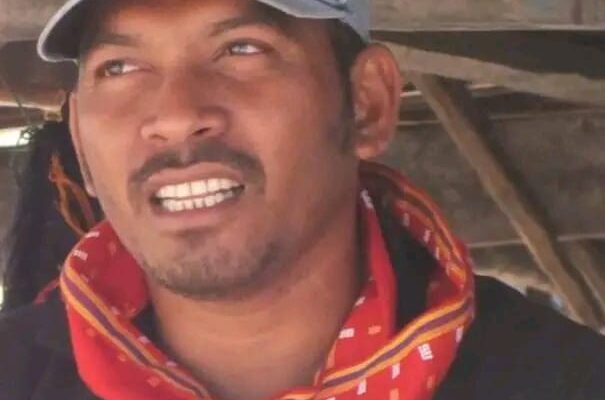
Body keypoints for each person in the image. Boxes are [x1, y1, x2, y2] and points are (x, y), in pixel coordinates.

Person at [1, 0, 604, 399]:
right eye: (120, 67)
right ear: (79, 140)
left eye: (242, 49)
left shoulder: (561, 382)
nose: (177, 115)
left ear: (367, 103)